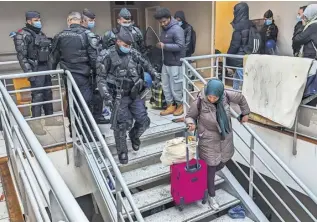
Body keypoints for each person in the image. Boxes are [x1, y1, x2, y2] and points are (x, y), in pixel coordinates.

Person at [96, 28, 160, 164]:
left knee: (144, 121)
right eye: (125, 45)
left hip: (135, 93)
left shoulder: (133, 52)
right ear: (118, 42)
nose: (128, 48)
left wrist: (154, 73)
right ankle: (122, 151)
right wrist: (106, 96)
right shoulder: (106, 55)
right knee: (121, 125)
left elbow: (146, 63)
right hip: (119, 96)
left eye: (129, 45)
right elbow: (100, 78)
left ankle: (134, 135)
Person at [185, 78, 250, 210]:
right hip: (207, 138)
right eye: (210, 96)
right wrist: (191, 123)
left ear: (220, 94)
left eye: (215, 97)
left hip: (224, 136)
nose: (212, 99)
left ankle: (204, 180)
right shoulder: (200, 101)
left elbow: (241, 98)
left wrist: (245, 113)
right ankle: (211, 196)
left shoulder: (226, 95)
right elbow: (190, 115)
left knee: (223, 161)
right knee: (211, 167)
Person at [49, 11, 99, 141]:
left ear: (68, 20)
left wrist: (50, 74)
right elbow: (94, 59)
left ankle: (73, 131)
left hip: (68, 76)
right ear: (81, 21)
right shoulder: (88, 35)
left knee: (72, 103)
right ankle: (88, 134)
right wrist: (98, 75)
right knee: (86, 103)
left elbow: (53, 58)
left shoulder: (59, 36)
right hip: (84, 76)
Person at [13, 11, 62, 135]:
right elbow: (22, 57)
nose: (38, 22)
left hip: (45, 67)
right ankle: (35, 123)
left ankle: (49, 119)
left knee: (48, 93)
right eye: (36, 20)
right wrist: (30, 73)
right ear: (29, 21)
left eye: (39, 19)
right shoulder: (22, 34)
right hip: (35, 69)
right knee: (38, 96)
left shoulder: (40, 33)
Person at [154, 7, 185, 116]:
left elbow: (181, 46)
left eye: (164, 21)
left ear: (169, 18)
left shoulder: (177, 29)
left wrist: (165, 46)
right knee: (166, 85)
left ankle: (180, 105)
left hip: (176, 63)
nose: (162, 24)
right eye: (160, 22)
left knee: (176, 86)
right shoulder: (165, 29)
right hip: (166, 62)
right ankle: (170, 105)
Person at [81, 9, 108, 124]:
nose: (93, 22)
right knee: (89, 97)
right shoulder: (81, 34)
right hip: (86, 70)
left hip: (94, 70)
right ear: (83, 21)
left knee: (98, 94)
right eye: (90, 20)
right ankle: (91, 120)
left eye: (93, 20)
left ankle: (98, 116)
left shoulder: (92, 35)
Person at [227, 2, 253, 91]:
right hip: (248, 56)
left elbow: (235, 45)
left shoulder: (239, 26)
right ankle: (235, 94)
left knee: (243, 80)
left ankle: (245, 98)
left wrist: (227, 56)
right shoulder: (251, 24)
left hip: (239, 58)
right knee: (237, 77)